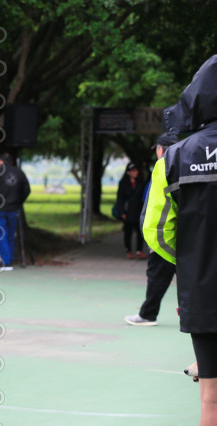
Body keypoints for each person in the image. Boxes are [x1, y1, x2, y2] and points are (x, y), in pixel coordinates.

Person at [143, 55, 217, 426]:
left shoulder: (173, 158)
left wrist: (189, 262)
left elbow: (155, 231)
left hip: (202, 295)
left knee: (210, 399)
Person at [125, 133, 178, 326]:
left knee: (157, 277)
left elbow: (154, 207)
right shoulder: (183, 168)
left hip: (164, 236)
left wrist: (155, 237)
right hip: (179, 235)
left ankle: (148, 314)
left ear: (161, 149)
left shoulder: (162, 170)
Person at [0, 152, 31, 271]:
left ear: (1, 161)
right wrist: (19, 201)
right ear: (12, 161)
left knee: (1, 234)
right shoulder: (19, 172)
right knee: (10, 234)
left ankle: (6, 262)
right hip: (14, 208)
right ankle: (9, 259)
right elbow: (27, 190)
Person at [116, 162, 147, 259]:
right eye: (133, 171)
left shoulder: (141, 182)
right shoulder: (123, 183)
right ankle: (128, 250)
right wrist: (122, 212)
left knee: (140, 232)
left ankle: (139, 251)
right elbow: (120, 199)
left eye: (136, 170)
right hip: (128, 211)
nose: (135, 172)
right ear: (128, 172)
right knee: (128, 232)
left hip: (138, 210)